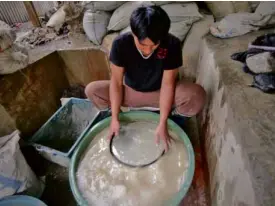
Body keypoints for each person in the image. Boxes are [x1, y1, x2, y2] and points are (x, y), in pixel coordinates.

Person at [85, 5, 206, 151]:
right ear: (134, 34)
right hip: (131, 94)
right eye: (142, 45)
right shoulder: (121, 44)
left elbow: (168, 84)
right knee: (92, 90)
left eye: (154, 45)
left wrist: (163, 122)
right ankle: (120, 121)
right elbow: (116, 83)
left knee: (197, 95)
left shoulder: (172, 44)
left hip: (160, 93)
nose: (148, 50)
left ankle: (174, 120)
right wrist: (115, 118)